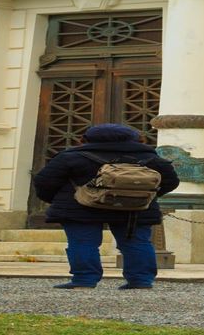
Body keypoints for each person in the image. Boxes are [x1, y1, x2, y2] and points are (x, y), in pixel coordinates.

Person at [32, 124, 179, 290]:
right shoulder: (152, 159)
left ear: (86, 139)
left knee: (83, 243)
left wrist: (59, 199)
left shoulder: (71, 157)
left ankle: (84, 280)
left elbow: (44, 181)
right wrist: (144, 196)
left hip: (80, 208)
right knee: (136, 243)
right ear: (135, 139)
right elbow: (171, 182)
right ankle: (141, 281)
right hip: (134, 210)